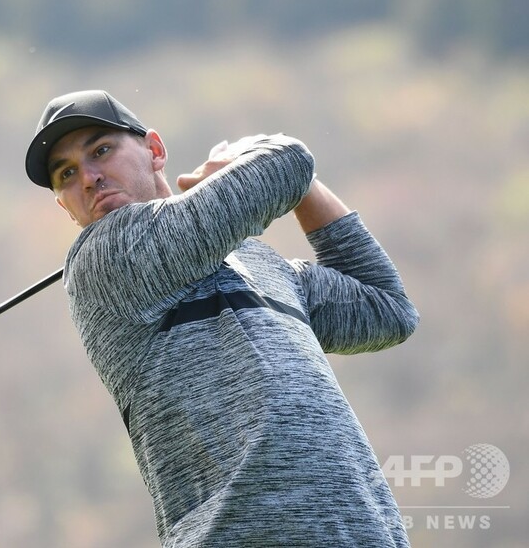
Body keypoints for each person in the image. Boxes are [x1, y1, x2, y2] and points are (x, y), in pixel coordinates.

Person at [24, 90, 419, 547]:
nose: (89, 178)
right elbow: (287, 161)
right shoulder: (103, 260)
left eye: (101, 150)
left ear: (155, 150)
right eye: (67, 174)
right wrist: (251, 157)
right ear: (65, 206)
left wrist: (306, 186)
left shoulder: (263, 265)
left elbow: (387, 308)